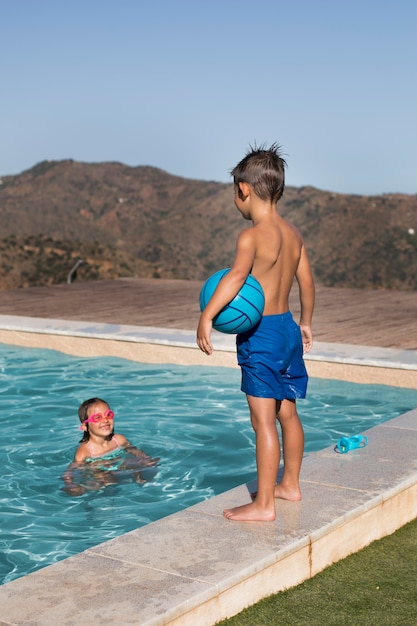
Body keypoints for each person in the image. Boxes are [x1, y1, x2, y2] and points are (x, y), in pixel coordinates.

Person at [197, 143, 315, 522]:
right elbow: (307, 282)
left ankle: (264, 504)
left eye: (235, 192)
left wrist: (207, 315)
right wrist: (307, 321)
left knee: (262, 421)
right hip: (288, 328)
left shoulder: (251, 237)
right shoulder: (294, 234)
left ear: (244, 190)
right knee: (288, 414)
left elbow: (235, 278)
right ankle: (290, 485)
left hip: (261, 334)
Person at [62, 397, 159, 495]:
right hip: (99, 470)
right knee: (106, 480)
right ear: (84, 427)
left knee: (145, 465)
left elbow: (134, 451)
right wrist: (68, 482)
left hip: (119, 465)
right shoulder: (85, 450)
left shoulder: (119, 440)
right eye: (97, 418)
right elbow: (71, 469)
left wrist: (145, 458)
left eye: (108, 415)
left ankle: (141, 483)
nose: (105, 420)